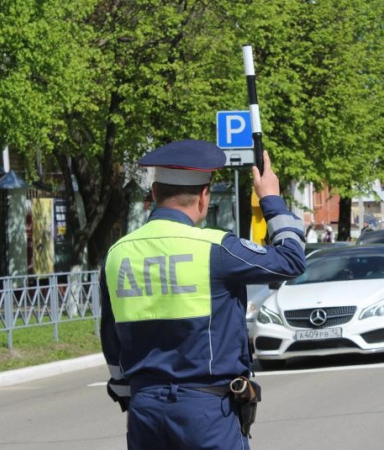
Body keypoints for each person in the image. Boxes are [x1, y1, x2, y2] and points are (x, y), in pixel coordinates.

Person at [100, 140, 306, 450]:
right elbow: (292, 260)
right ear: (204, 197)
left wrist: (132, 400)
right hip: (206, 411)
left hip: (146, 411)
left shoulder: (117, 254)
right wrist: (272, 199)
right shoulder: (216, 248)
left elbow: (111, 341)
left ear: (154, 193)